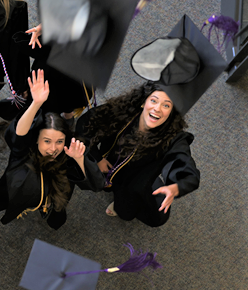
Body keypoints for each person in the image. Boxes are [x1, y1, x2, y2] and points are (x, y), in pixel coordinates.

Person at [0, 70, 104, 229]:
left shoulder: (69, 154)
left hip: (54, 196)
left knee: (56, 217)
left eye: (59, 141)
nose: (53, 149)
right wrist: (36, 104)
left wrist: (80, 159)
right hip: (18, 192)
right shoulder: (24, 152)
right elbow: (19, 134)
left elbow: (97, 184)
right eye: (47, 141)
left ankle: (47, 211)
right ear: (36, 140)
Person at [76, 82, 200, 227]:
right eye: (153, 101)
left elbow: (182, 162)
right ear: (143, 102)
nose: (157, 108)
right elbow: (85, 125)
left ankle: (147, 186)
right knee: (93, 179)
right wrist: (97, 157)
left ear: (171, 112)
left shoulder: (173, 138)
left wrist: (176, 186)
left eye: (166, 105)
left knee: (129, 211)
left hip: (134, 177)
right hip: (109, 160)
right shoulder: (122, 111)